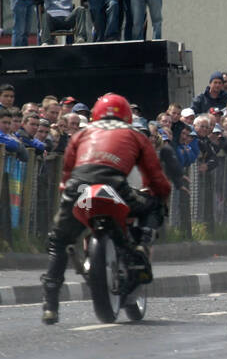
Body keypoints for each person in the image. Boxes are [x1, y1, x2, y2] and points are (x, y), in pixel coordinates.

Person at [40, 93, 171, 324]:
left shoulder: (80, 134)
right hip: (116, 187)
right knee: (154, 205)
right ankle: (141, 246)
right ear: (128, 116)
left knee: (58, 241)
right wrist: (159, 195)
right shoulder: (135, 135)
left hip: (78, 190)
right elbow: (155, 177)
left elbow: (67, 175)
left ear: (94, 115)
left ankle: (50, 304)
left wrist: (67, 198)